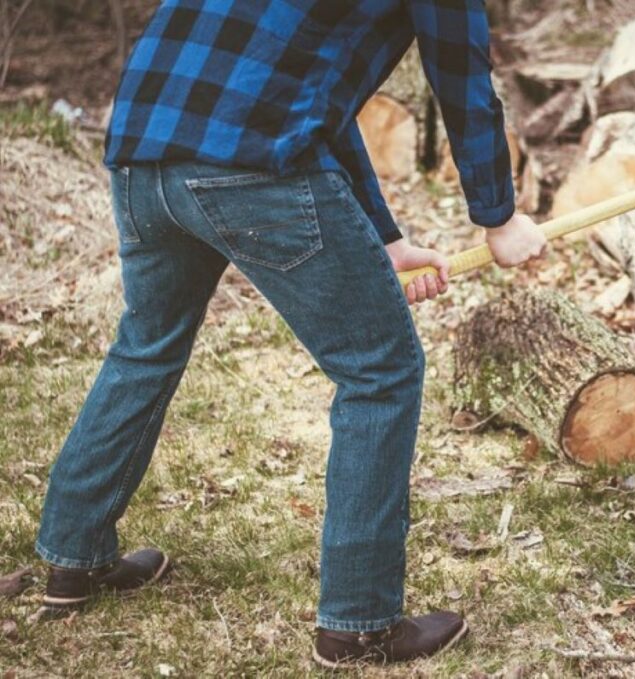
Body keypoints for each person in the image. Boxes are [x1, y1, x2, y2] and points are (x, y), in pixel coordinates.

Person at [34, 0, 546, 668]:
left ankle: (74, 558)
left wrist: (386, 237)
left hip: (142, 147)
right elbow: (461, 74)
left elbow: (306, 94)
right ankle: (359, 623)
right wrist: (499, 217)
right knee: (379, 371)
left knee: (146, 344)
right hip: (246, 161)